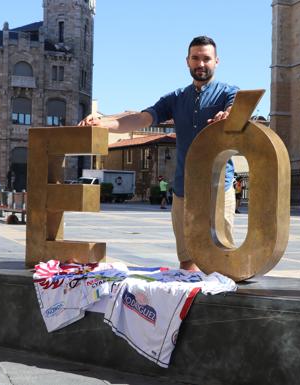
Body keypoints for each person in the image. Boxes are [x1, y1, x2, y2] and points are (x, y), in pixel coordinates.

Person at [79, 36, 238, 271]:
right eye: (196, 58)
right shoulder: (175, 98)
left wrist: (229, 114)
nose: (201, 64)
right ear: (187, 61)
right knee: (187, 262)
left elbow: (237, 109)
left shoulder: (228, 93)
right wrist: (104, 121)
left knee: (222, 261)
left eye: (206, 58)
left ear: (217, 61)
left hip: (219, 187)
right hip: (184, 188)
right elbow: (142, 118)